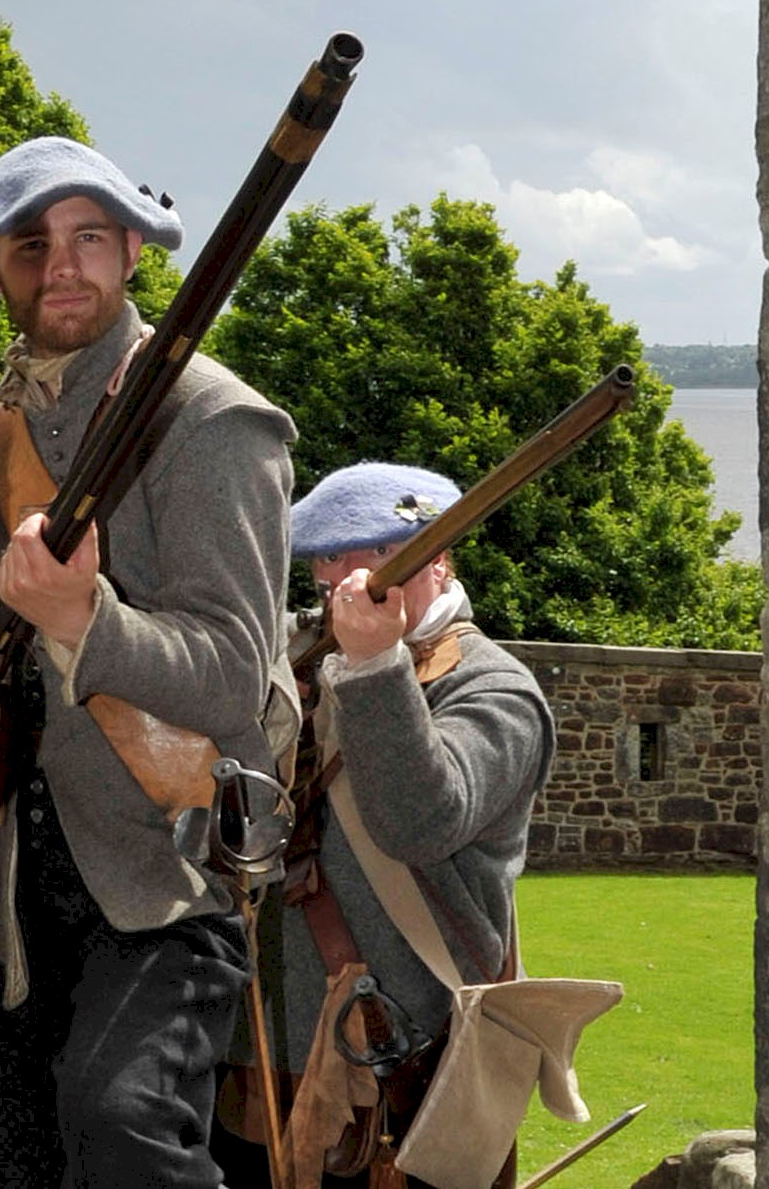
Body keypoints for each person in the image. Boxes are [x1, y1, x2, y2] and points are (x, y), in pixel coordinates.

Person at [0, 136, 300, 1188]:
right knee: (15, 1139)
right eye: (30, 242)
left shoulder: (215, 422)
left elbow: (232, 672)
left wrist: (84, 617)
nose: (62, 265)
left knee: (122, 1122)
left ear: (133, 249)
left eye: (89, 235)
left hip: (162, 871)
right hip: (1, 885)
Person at [210, 462, 556, 1189]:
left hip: (408, 1072)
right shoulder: (298, 658)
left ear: (433, 558)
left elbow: (420, 823)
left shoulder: (494, 687)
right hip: (260, 1055)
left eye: (363, 557)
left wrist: (374, 665)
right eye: (326, 562)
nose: (339, 580)